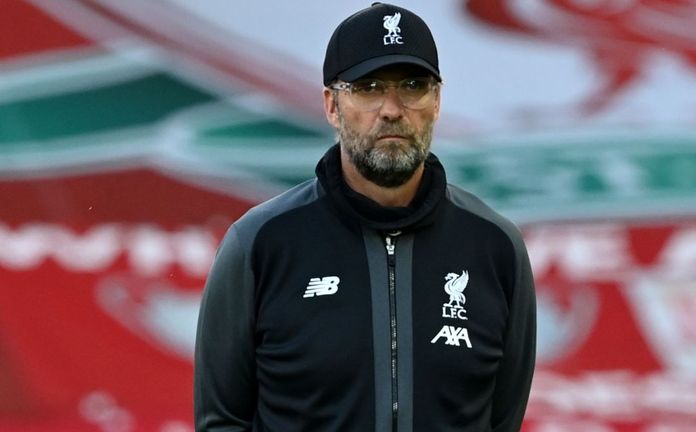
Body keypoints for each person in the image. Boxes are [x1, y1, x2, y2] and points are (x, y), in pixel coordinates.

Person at [194, 2, 536, 431]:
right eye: (369, 87)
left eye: (412, 85)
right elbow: (221, 421)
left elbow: (501, 420)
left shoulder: (495, 247)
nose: (392, 109)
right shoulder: (260, 244)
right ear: (332, 106)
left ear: (436, 101)